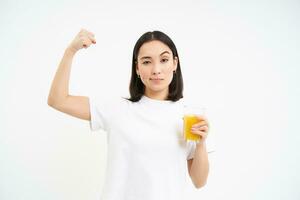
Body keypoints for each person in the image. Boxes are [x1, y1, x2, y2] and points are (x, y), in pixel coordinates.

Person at [47, 29, 213, 200]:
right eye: (147, 62)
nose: (156, 69)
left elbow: (199, 182)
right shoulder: (117, 109)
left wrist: (201, 144)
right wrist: (70, 51)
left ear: (175, 64)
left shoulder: (188, 116)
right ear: (137, 68)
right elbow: (58, 100)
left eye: (164, 60)